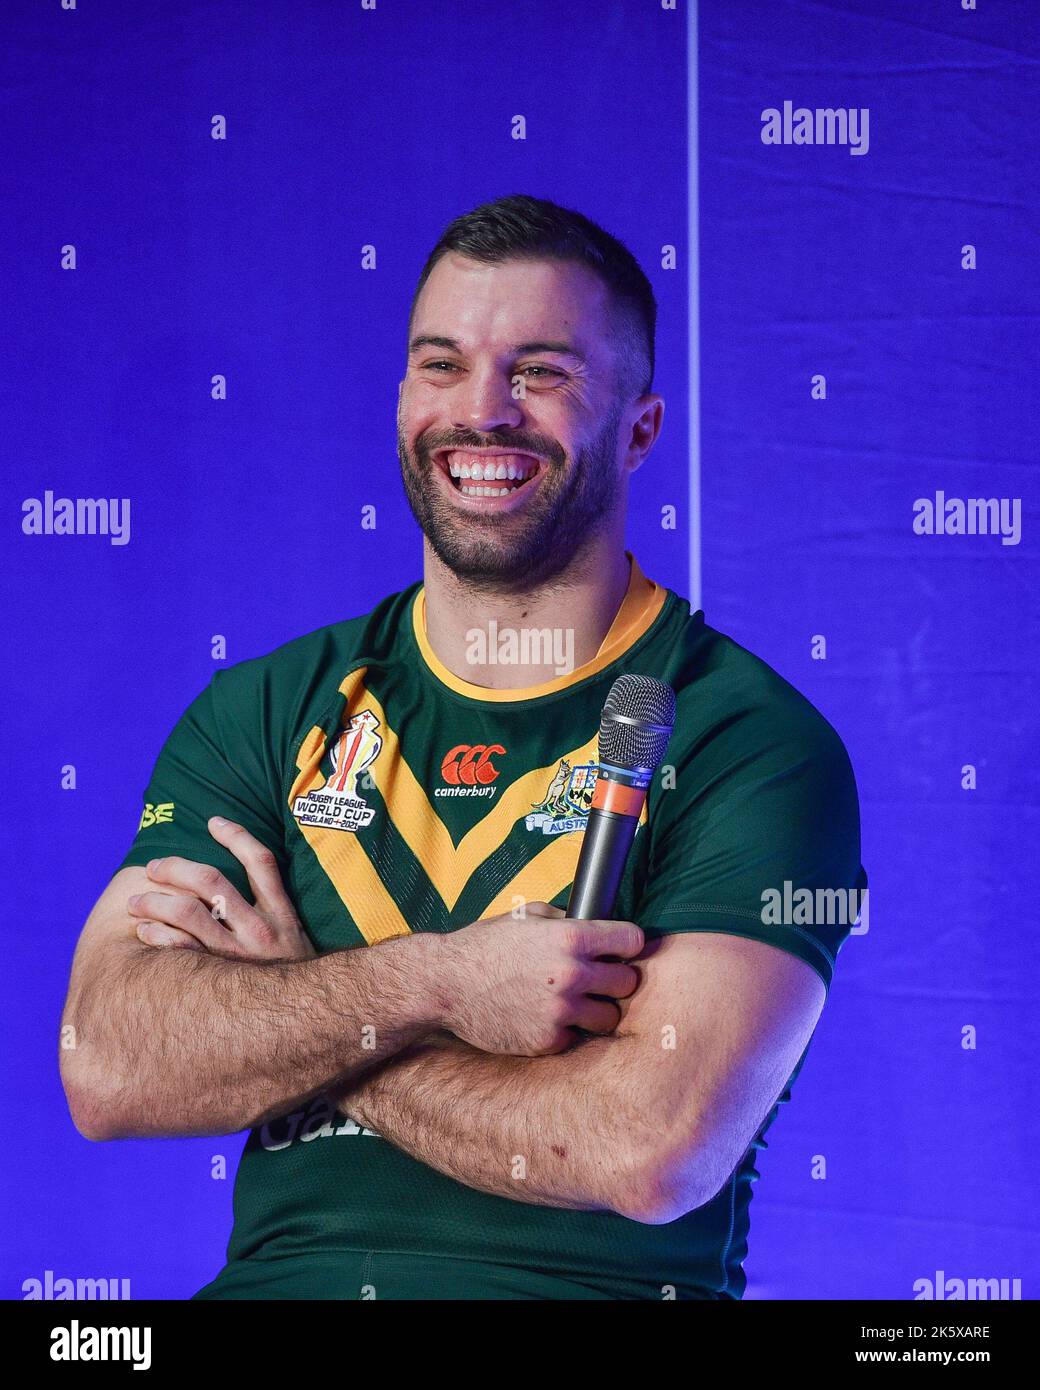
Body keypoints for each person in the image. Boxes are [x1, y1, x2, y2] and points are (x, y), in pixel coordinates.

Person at [60, 194, 866, 1301]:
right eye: (440, 364)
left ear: (639, 429)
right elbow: (109, 1062)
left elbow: (641, 1150)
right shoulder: (269, 708)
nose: (481, 413)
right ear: (401, 397)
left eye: (539, 371)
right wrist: (435, 985)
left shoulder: (747, 739)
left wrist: (302, 1005)